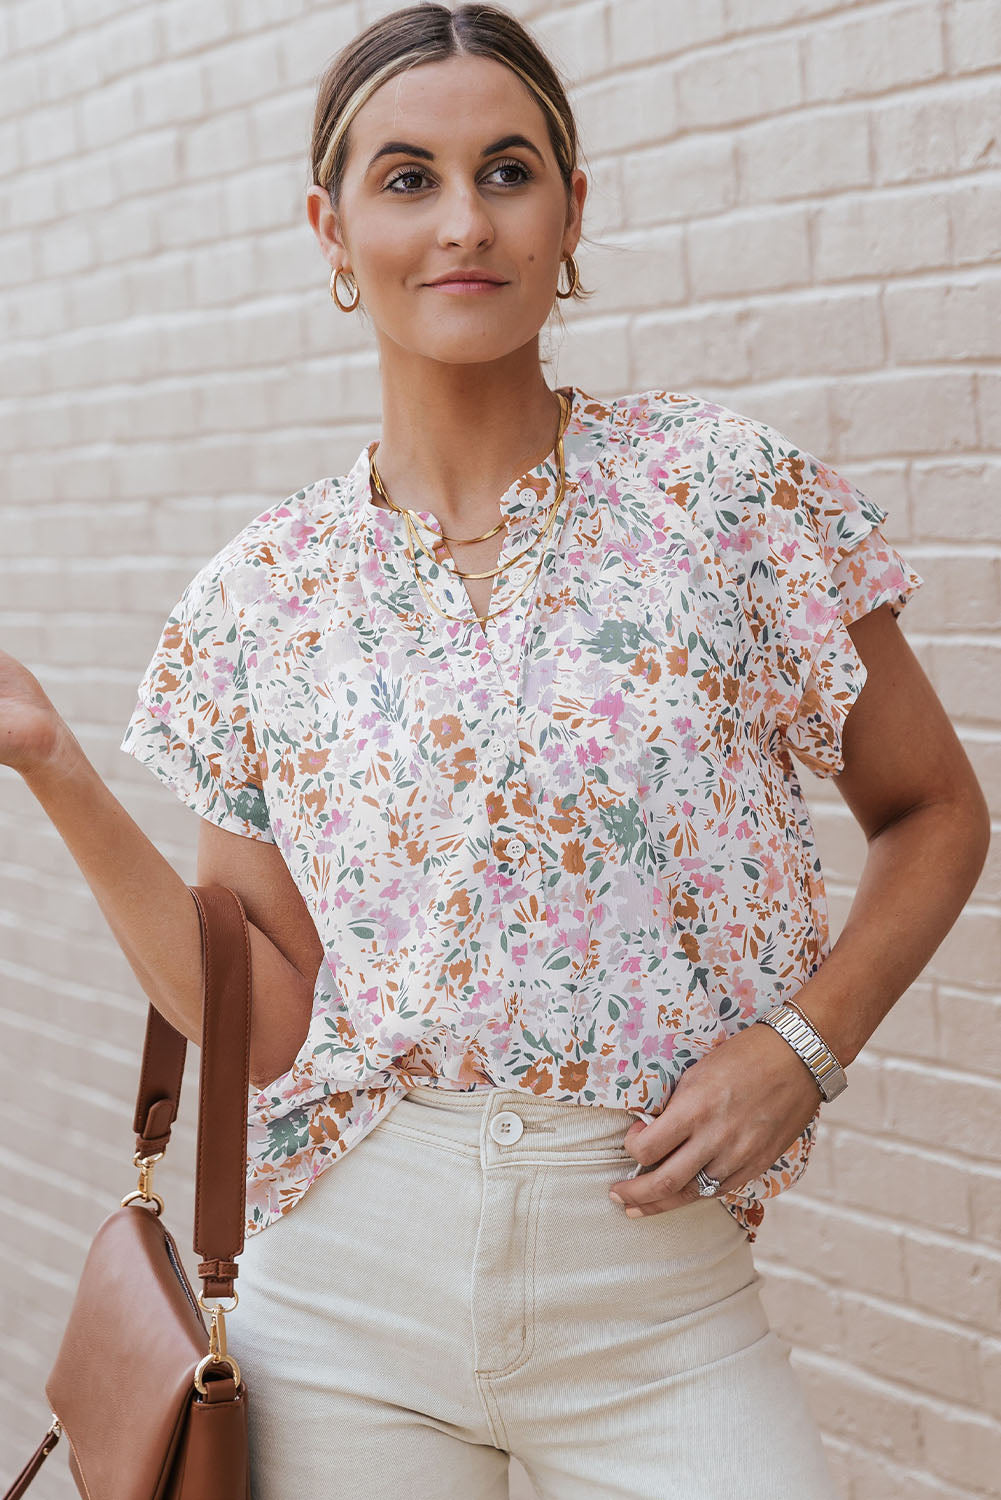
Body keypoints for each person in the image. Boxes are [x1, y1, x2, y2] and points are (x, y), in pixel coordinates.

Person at [3, 4, 990, 1498]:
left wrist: (804, 1045)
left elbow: (930, 811)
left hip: (657, 1307)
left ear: (570, 210)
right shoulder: (262, 594)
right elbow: (261, 1020)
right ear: (330, 230)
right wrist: (50, 766)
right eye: (407, 180)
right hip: (343, 1305)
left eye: (507, 170)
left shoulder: (723, 501)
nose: (462, 220)